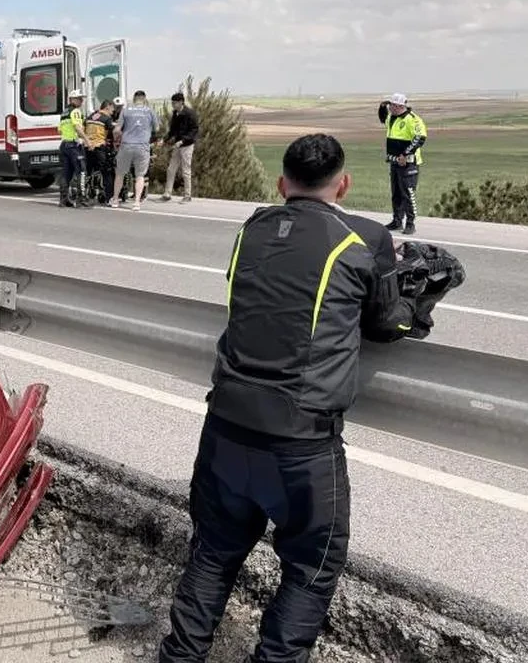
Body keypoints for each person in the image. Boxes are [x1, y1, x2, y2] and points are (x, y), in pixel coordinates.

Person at [157, 133, 419, 663]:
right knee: (311, 568)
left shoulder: (250, 230)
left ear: (282, 184)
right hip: (301, 445)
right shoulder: (359, 241)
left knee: (213, 553)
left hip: (225, 429)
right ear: (343, 185)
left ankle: (179, 657)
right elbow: (389, 324)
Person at [377, 93, 428, 235]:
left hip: (409, 163)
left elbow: (420, 138)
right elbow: (382, 118)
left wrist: (405, 154)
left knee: (408, 194)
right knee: (396, 193)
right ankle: (397, 221)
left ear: (399, 106)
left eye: (391, 106)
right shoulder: (391, 118)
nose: (389, 108)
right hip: (394, 162)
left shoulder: (413, 120)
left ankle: (410, 223)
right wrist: (382, 107)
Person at [110, 90, 158, 211]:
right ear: (144, 99)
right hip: (143, 146)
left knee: (120, 174)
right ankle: (136, 203)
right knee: (140, 176)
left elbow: (116, 130)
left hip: (126, 145)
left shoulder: (126, 111)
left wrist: (117, 138)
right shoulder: (150, 111)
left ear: (134, 99)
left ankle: (115, 199)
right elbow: (157, 128)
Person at [161, 92, 199, 203]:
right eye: (172, 103)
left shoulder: (190, 114)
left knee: (186, 170)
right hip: (177, 145)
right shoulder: (175, 114)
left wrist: (183, 140)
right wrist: (164, 140)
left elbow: (194, 130)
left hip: (187, 145)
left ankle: (187, 195)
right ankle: (167, 193)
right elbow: (172, 131)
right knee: (171, 169)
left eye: (175, 103)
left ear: (181, 102)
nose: (173, 105)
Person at [57, 89, 91, 207]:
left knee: (66, 173)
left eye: (82, 98)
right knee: (81, 172)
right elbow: (77, 127)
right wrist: (87, 141)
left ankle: (63, 199)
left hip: (64, 145)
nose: (81, 101)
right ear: (72, 99)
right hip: (74, 145)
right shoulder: (76, 111)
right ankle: (81, 200)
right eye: (79, 98)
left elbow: (59, 130)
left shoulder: (64, 112)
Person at [85, 99, 117, 204]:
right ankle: (109, 198)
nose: (113, 111)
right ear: (107, 107)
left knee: (89, 171)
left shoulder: (91, 116)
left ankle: (88, 194)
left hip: (88, 148)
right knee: (107, 172)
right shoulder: (107, 118)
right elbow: (114, 132)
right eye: (112, 108)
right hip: (99, 148)